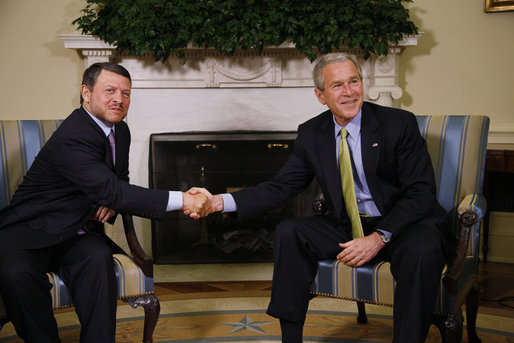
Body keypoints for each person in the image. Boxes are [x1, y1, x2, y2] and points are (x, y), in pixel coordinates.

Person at [191, 53, 456, 342]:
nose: (349, 92)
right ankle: (291, 338)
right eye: (338, 85)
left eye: (354, 81)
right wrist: (218, 202)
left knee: (422, 250)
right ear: (321, 95)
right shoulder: (312, 134)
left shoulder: (398, 124)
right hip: (348, 225)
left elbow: (420, 192)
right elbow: (280, 187)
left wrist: (379, 237)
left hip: (405, 224)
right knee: (289, 232)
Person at [0, 62, 211, 342]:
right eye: (109, 90)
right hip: (29, 232)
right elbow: (112, 188)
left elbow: (117, 181)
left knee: (98, 259)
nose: (119, 99)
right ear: (86, 93)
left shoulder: (119, 130)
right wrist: (183, 198)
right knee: (15, 275)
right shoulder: (73, 136)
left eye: (126, 93)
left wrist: (112, 199)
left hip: (77, 232)